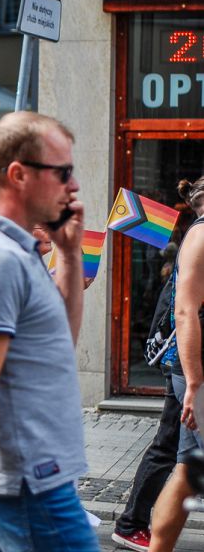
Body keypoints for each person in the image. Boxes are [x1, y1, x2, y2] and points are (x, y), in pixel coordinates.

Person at [0, 111, 96, 552]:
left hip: (40, 479)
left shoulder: (15, 250)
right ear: (18, 175)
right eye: (63, 172)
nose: (74, 186)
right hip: (32, 483)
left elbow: (57, 348)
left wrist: (68, 257)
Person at [148, 177, 204, 552]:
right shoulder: (201, 235)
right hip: (199, 370)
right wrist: (196, 384)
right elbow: (185, 311)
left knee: (188, 470)